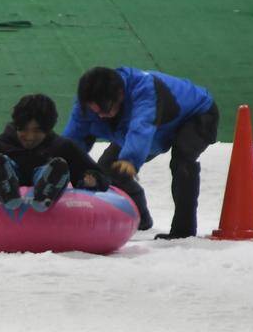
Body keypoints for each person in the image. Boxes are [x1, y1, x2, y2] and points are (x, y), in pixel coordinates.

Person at [63, 66, 219, 239]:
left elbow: (142, 125)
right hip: (154, 130)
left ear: (120, 94)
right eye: (95, 110)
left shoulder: (144, 88)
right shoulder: (87, 105)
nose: (100, 116)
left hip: (198, 115)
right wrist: (59, 167)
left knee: (182, 161)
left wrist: (130, 159)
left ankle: (184, 231)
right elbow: (71, 142)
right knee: (108, 167)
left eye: (106, 109)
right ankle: (140, 219)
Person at [0, 93, 107, 211]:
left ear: (48, 129)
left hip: (46, 175)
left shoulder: (61, 147)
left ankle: (48, 184)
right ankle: (4, 180)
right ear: (16, 125)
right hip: (4, 168)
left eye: (37, 131)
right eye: (24, 130)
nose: (30, 137)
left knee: (55, 166)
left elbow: (97, 174)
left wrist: (90, 179)